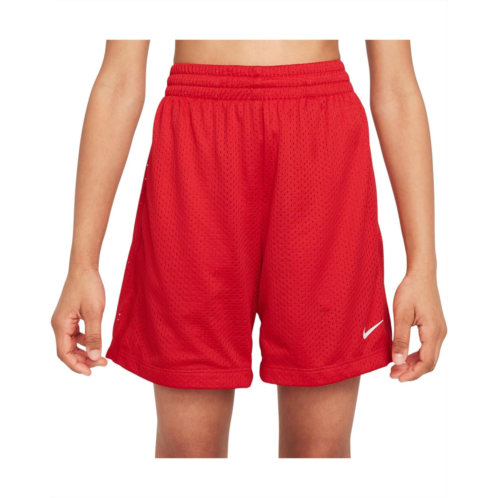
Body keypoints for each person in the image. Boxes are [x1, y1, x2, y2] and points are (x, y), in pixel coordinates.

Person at [51, 40, 448, 458]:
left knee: (320, 453)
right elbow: (119, 81)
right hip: (196, 147)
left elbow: (397, 86)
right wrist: (82, 264)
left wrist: (423, 267)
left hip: (319, 148)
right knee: (188, 452)